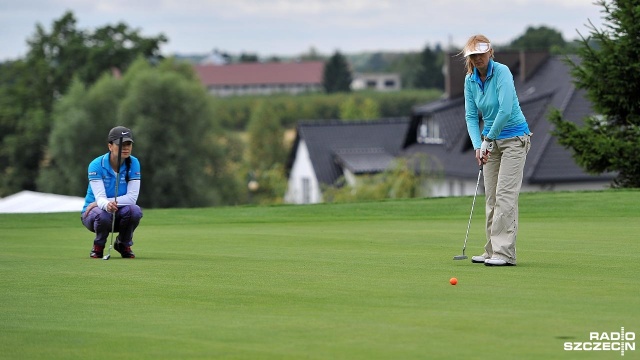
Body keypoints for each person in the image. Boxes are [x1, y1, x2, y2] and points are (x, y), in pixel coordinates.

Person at [461, 34, 532, 266]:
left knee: (505, 196)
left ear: (490, 52)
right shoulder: (470, 80)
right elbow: (471, 116)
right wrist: (477, 145)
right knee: (491, 197)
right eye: (473, 55)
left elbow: (505, 109)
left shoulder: (502, 72)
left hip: (514, 138)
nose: (477, 58)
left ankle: (505, 253)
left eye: (481, 53)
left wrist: (488, 139)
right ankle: (491, 250)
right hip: (489, 142)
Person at [81, 126, 143, 259]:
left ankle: (123, 244)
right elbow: (100, 197)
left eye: (128, 144)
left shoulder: (134, 163)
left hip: (116, 211)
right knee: (103, 214)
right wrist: (103, 203)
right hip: (92, 214)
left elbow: (132, 199)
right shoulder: (96, 165)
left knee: (135, 210)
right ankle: (98, 246)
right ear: (110, 146)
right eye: (121, 144)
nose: (126, 148)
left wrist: (100, 202)